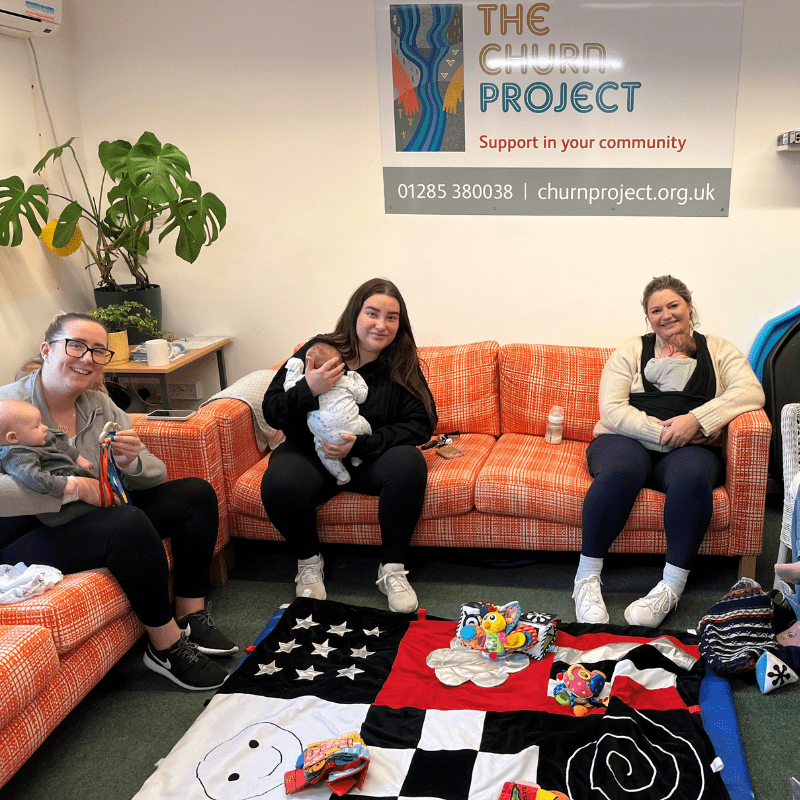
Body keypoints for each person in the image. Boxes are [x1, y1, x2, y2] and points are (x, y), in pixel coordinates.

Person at [0, 312, 237, 690]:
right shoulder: (6, 407)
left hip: (89, 517)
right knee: (126, 522)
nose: (87, 357)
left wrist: (131, 461)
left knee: (195, 494)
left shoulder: (98, 405)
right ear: (47, 349)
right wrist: (75, 487)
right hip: (24, 537)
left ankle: (190, 614)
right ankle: (165, 647)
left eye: (98, 350)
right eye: (75, 345)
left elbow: (153, 472)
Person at [573, 276, 765, 628]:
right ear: (647, 318)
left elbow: (750, 392)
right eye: (655, 310)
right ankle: (586, 579)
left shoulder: (719, 350)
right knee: (620, 471)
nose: (665, 315)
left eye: (673, 305)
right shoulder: (630, 350)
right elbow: (612, 409)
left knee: (692, 478)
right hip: (625, 440)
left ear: (689, 307)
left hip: (691, 447)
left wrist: (696, 420)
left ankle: (671, 587)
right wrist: (663, 433)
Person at [261, 278, 437, 612]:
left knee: (409, 463)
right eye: (373, 313)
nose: (381, 325)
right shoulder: (318, 351)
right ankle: (309, 564)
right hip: (312, 455)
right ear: (356, 313)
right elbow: (272, 410)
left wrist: (362, 444)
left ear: (400, 324)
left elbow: (422, 423)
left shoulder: (401, 362)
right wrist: (308, 389)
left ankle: (393, 570)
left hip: (369, 458)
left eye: (391, 317)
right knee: (278, 482)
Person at [283, 341, 372, 485]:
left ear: (309, 366)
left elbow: (288, 386)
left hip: (325, 438)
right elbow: (361, 397)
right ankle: (357, 457)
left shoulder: (304, 382)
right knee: (365, 426)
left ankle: (342, 476)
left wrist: (295, 366)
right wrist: (357, 377)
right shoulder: (346, 380)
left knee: (322, 451)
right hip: (354, 430)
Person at [0, 398, 99, 526]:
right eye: (37, 426)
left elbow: (61, 445)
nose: (45, 427)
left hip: (74, 474)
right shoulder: (16, 455)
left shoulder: (36, 437)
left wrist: (80, 459)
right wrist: (61, 485)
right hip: (60, 503)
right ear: (13, 437)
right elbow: (32, 477)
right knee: (92, 512)